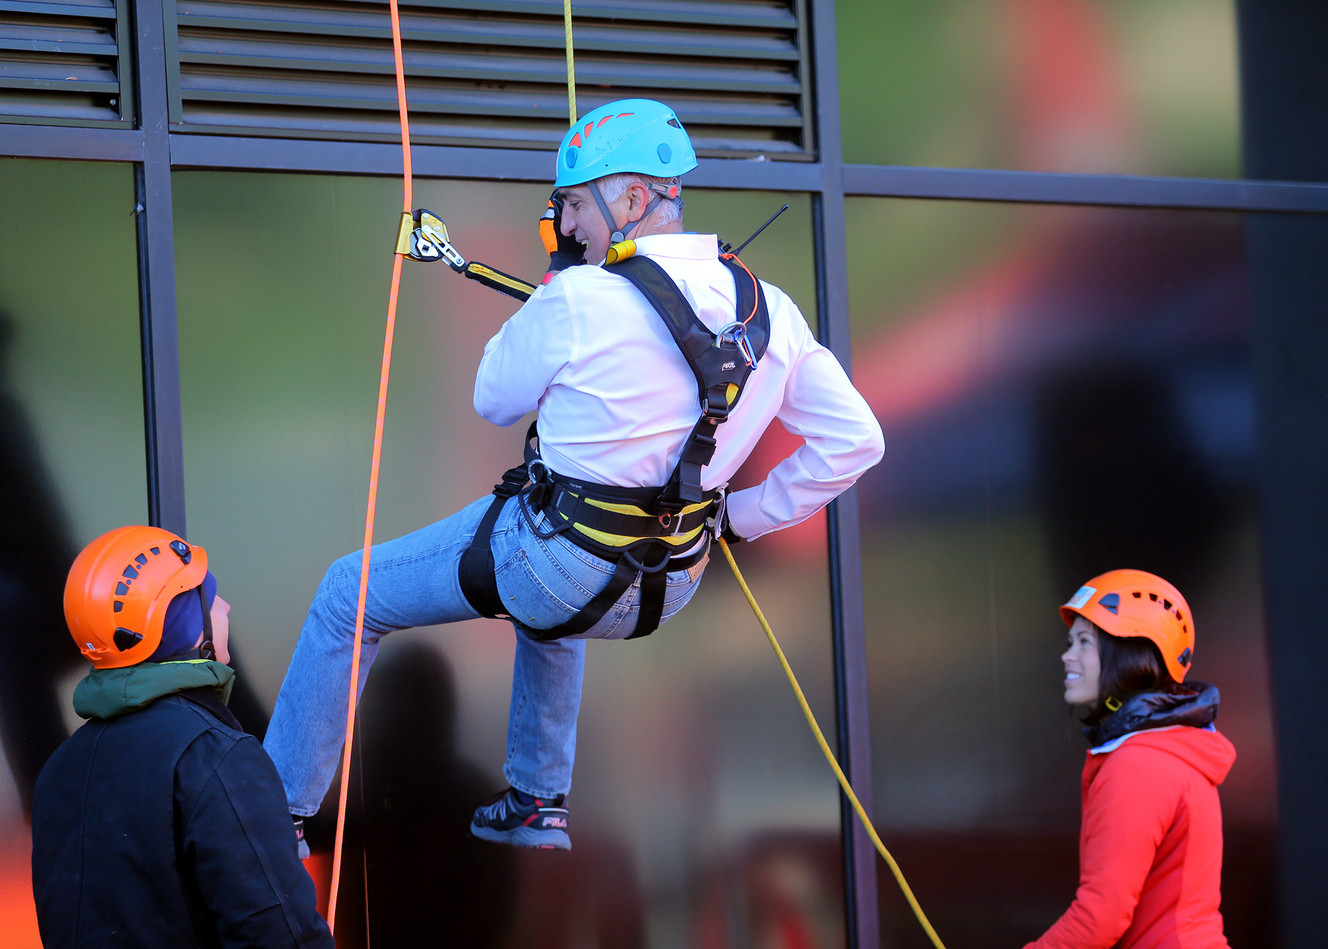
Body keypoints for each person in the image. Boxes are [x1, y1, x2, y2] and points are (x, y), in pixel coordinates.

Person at [262, 97, 885, 851]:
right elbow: (857, 439)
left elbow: (491, 395)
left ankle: (274, 813)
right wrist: (739, 516)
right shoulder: (771, 310)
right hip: (670, 582)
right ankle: (537, 800)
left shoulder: (583, 296)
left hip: (558, 564)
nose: (569, 224)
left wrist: (559, 278)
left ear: (631, 198)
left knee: (346, 597)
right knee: (564, 572)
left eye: (573, 205)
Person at [30, 525, 333, 949]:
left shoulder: (59, 771)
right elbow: (280, 936)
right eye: (208, 596)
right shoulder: (215, 755)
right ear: (181, 625)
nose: (225, 605)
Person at [1026, 569, 1234, 949]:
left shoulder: (1138, 766)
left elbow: (1098, 920)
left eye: (1084, 642)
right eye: (1071, 642)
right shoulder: (1164, 747)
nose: (1067, 656)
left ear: (1130, 655)